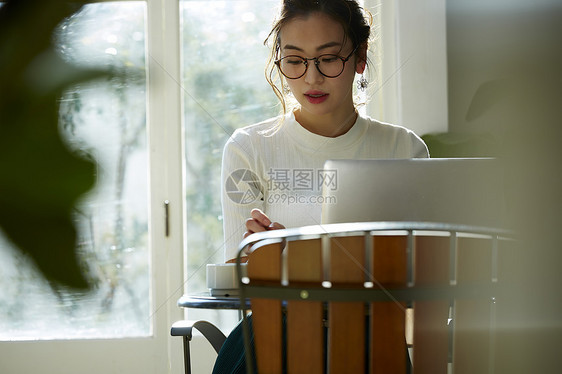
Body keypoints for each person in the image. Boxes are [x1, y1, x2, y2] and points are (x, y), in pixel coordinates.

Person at [215, 0, 428, 372]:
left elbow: (422, 274)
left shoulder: (403, 149)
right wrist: (264, 258)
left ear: (359, 57)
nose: (311, 78)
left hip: (373, 343)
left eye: (328, 59)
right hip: (272, 340)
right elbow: (238, 275)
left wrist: (296, 260)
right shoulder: (249, 147)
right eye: (295, 60)